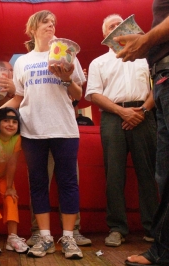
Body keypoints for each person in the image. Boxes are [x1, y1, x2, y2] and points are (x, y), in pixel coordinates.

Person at [0, 10, 85, 260]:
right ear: (33, 28)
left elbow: (78, 95)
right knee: (38, 184)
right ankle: (45, 238)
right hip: (32, 130)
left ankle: (69, 238)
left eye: (54, 22)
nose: (51, 25)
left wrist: (66, 79)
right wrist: (1, 109)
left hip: (64, 128)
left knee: (68, 183)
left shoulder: (68, 53)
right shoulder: (23, 61)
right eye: (45, 22)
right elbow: (19, 97)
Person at [85, 14, 159, 248]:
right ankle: (117, 228)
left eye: (120, 24)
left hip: (145, 115)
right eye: (111, 26)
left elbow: (159, 84)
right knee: (114, 175)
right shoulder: (99, 62)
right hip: (113, 118)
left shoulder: (148, 57)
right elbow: (94, 94)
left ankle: (153, 228)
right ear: (104, 34)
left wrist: (142, 112)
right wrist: (122, 112)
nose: (117, 28)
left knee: (148, 174)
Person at [114, 1, 169, 264]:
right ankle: (163, 249)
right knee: (164, 173)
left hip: (160, 84)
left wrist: (146, 41)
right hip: (161, 79)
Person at [0, 107, 29, 254]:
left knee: (11, 197)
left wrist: (10, 186)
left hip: (4, 176)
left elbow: (12, 163)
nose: (10, 124)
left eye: (14, 122)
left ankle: (12, 237)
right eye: (6, 121)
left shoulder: (17, 139)